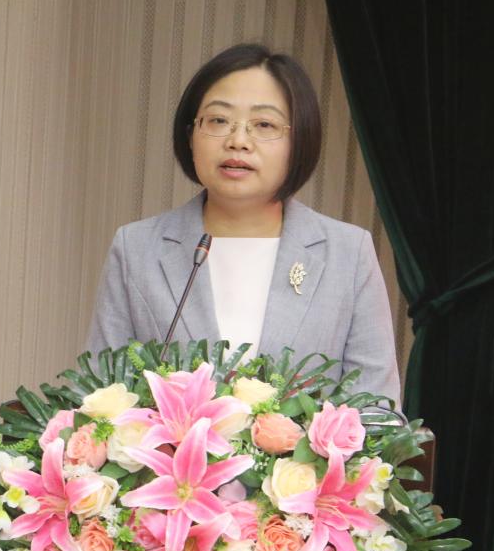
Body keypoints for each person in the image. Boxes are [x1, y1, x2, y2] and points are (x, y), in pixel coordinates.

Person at [86, 44, 400, 402]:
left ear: (299, 140)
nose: (238, 141)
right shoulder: (137, 248)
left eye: (264, 124)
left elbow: (377, 408)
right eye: (218, 121)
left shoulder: (348, 254)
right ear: (191, 135)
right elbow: (100, 395)